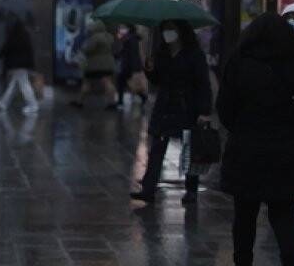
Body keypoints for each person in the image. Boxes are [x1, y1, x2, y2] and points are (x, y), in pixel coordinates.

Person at [216, 12, 294, 266]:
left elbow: (225, 109)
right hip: (287, 151)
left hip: (247, 150)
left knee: (245, 217)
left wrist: (242, 128)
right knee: (283, 217)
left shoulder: (240, 63)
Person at [132, 20, 213, 205]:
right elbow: (158, 80)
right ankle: (148, 188)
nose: (168, 33)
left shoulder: (194, 55)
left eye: (172, 29)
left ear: (181, 31)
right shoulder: (162, 53)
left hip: (186, 106)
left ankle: (191, 190)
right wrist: (149, 68)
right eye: (165, 29)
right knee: (157, 148)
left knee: (189, 149)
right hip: (165, 105)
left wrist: (204, 110)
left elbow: (203, 84)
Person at [0, 17, 39, 115]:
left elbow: (4, 50)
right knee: (14, 85)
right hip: (24, 64)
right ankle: (3, 103)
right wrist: (32, 65)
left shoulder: (13, 36)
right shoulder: (25, 35)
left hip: (17, 65)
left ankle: (33, 105)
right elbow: (30, 51)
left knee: (24, 85)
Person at [71, 19, 117, 109]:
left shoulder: (95, 37)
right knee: (108, 83)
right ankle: (112, 102)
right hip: (108, 64)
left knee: (87, 83)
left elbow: (87, 49)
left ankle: (80, 102)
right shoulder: (109, 37)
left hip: (95, 65)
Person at [114, 24, 148, 109]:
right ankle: (141, 97)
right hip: (130, 65)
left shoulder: (130, 39)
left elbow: (130, 54)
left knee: (123, 82)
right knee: (125, 82)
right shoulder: (132, 38)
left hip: (129, 65)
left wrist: (131, 67)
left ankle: (121, 102)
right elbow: (125, 51)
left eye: (124, 28)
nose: (122, 29)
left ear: (129, 29)